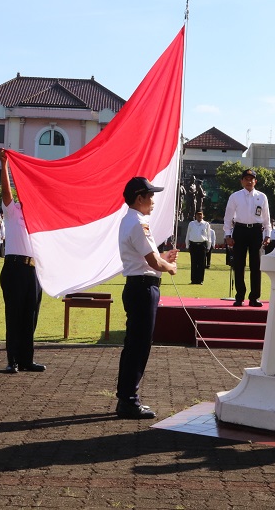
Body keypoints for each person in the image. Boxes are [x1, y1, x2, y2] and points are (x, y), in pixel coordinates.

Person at [115, 176, 178, 419]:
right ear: (139, 198)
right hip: (143, 288)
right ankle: (129, 400)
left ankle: (127, 397)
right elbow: (152, 262)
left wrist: (164, 258)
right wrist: (168, 266)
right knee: (138, 346)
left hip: (138, 285)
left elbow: (148, 257)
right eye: (150, 195)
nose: (153, 200)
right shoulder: (138, 223)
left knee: (135, 345)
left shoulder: (132, 221)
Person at [0, 147, 46, 374]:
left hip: (33, 271)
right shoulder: (13, 211)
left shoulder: (40, 217)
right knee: (14, 315)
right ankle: (12, 360)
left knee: (31, 316)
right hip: (15, 267)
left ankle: (27, 359)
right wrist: (4, 165)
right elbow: (6, 192)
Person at [222, 169, 271, 307]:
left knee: (256, 265)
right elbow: (228, 217)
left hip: (255, 231)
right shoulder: (235, 196)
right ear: (242, 181)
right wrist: (228, 235)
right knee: (239, 265)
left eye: (252, 179)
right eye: (246, 179)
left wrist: (267, 234)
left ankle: (254, 297)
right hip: (240, 230)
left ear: (256, 181)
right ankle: (239, 296)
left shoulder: (262, 197)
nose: (249, 181)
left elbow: (266, 217)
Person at [185, 210, 210, 285]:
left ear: (203, 216)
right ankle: (193, 280)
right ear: (195, 216)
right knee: (194, 263)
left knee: (202, 263)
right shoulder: (192, 224)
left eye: (201, 215)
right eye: (198, 215)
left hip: (202, 245)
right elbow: (188, 234)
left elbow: (208, 236)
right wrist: (187, 245)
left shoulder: (206, 224)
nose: (199, 216)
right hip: (193, 245)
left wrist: (209, 246)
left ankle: (200, 280)